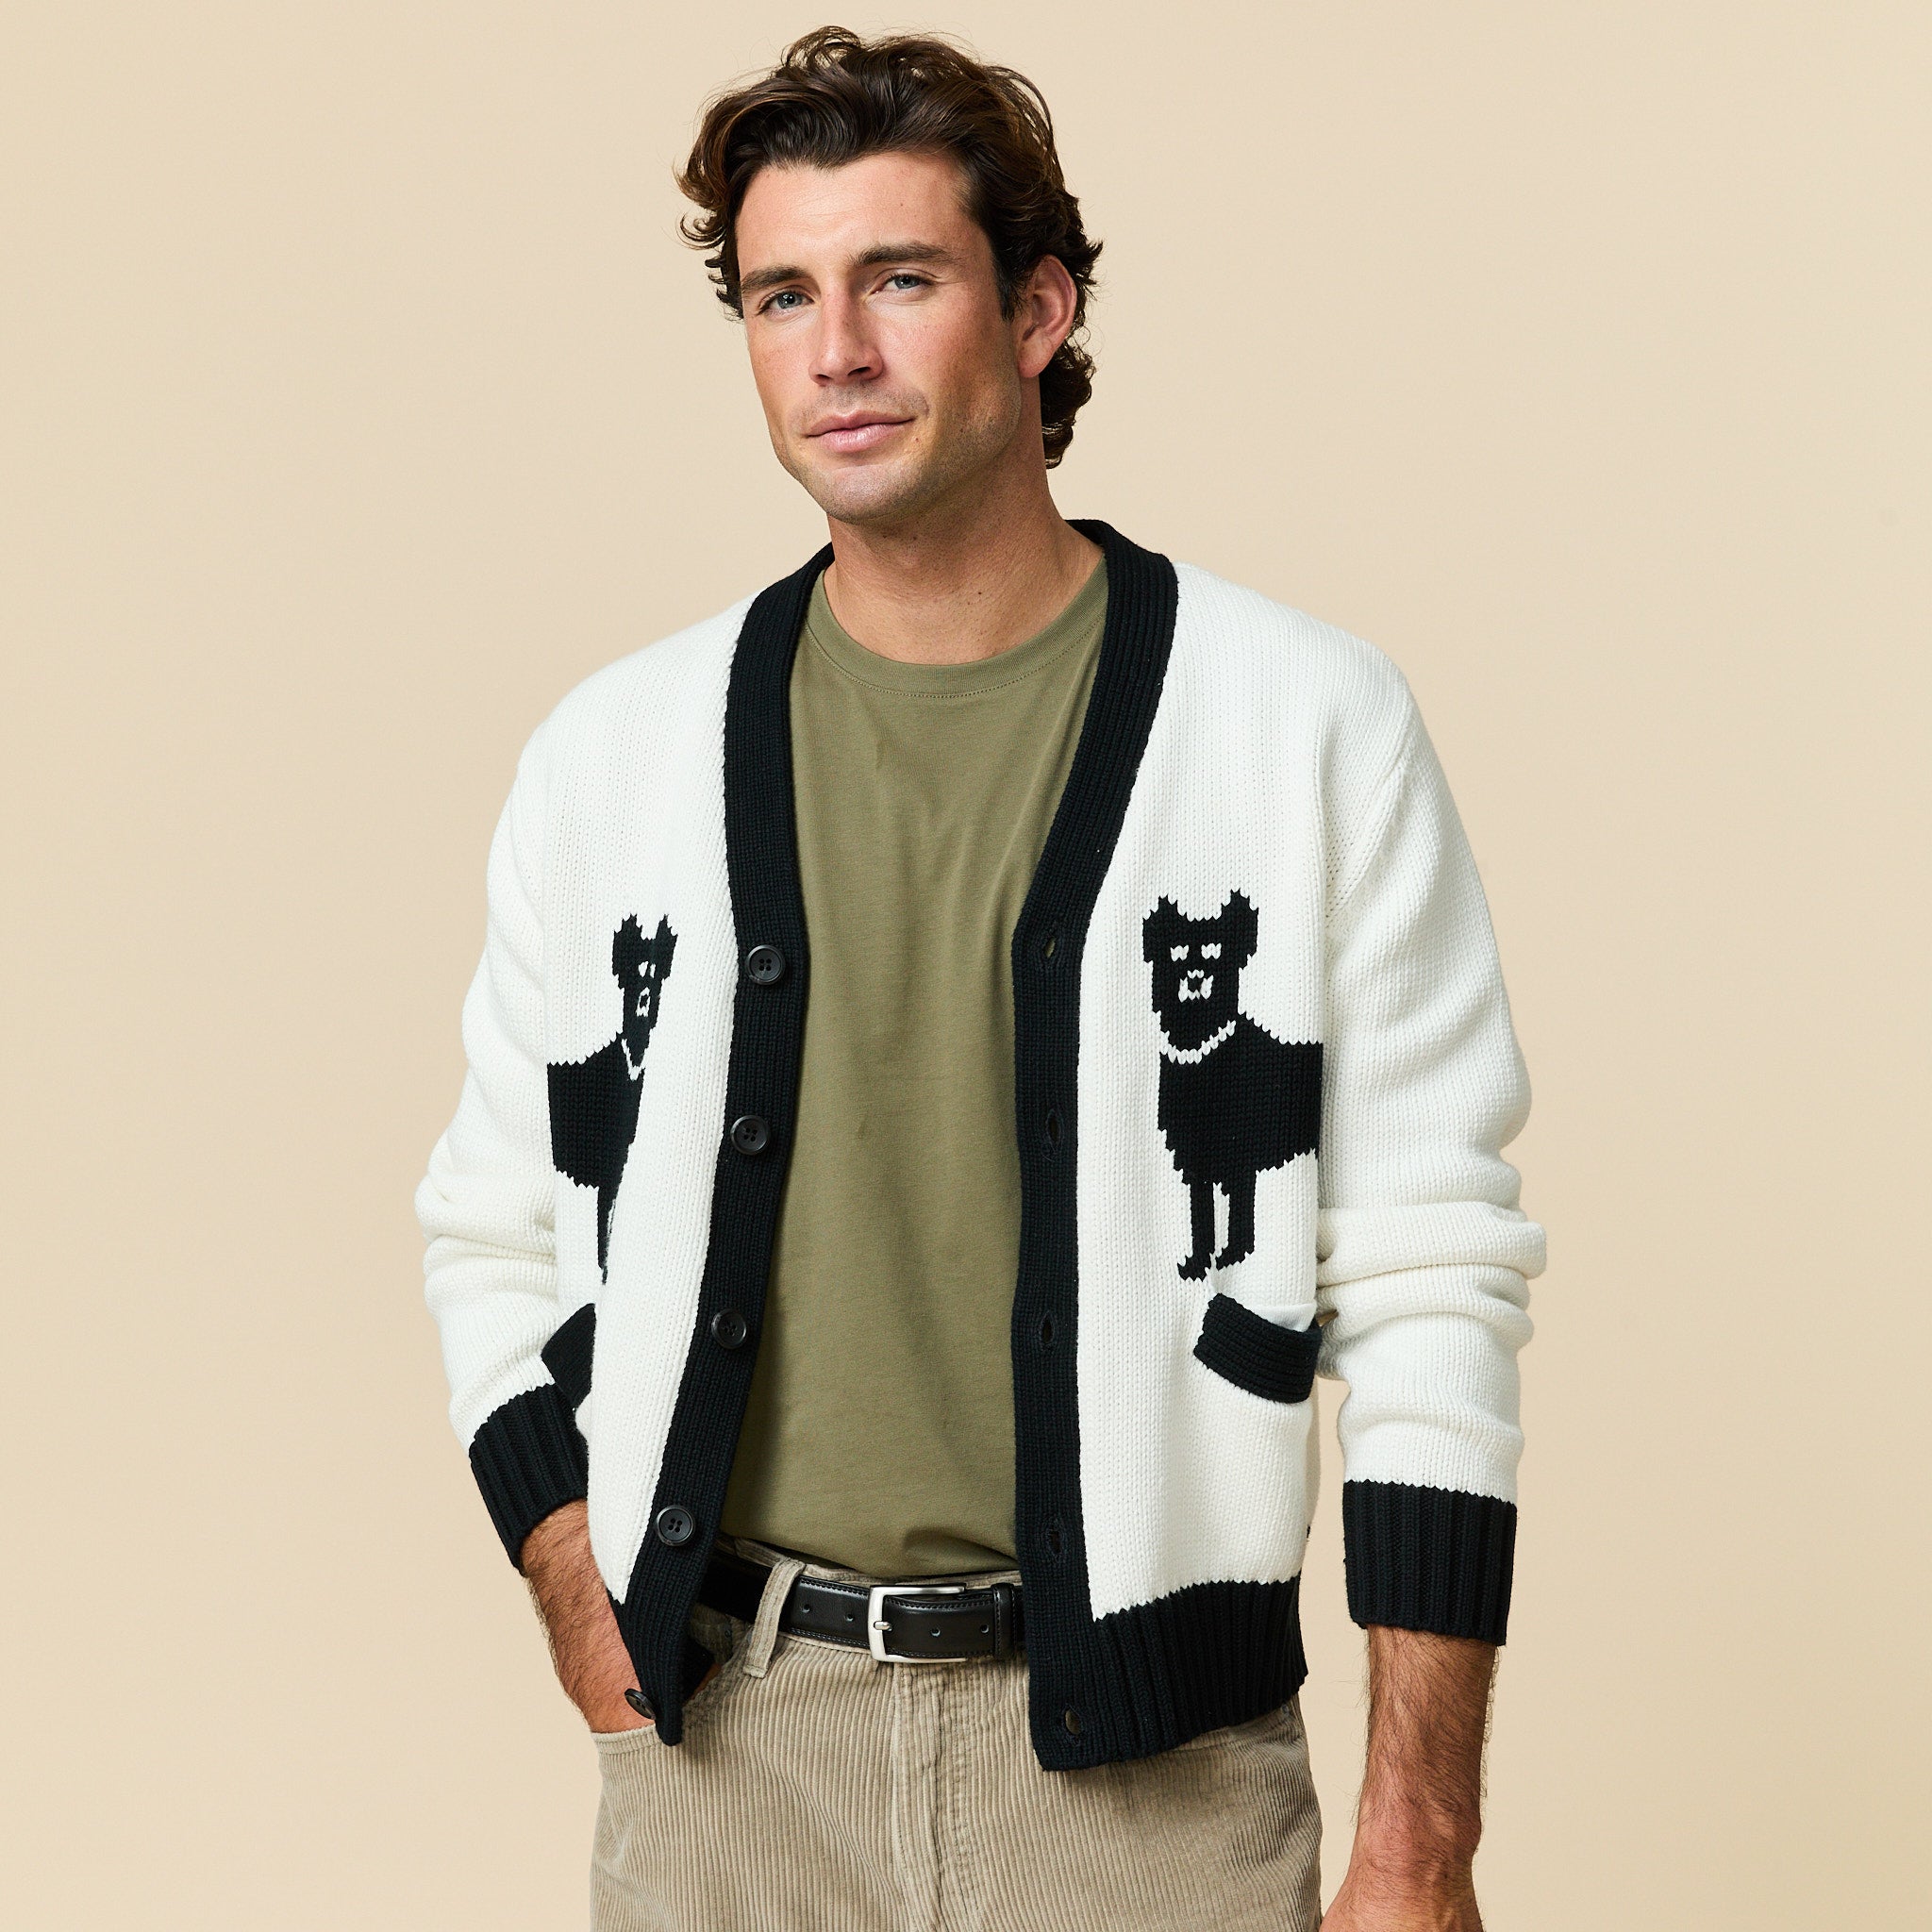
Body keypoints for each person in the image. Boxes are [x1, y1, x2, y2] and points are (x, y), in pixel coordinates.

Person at [417, 26, 1543, 1931]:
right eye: (782, 295)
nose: (835, 352)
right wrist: (578, 1590)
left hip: (1154, 1789)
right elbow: (491, 1226)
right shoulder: (614, 759)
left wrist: (1419, 1838)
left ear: (1037, 310)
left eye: (899, 280)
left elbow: (1434, 1274)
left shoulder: (1300, 727)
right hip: (730, 1771)